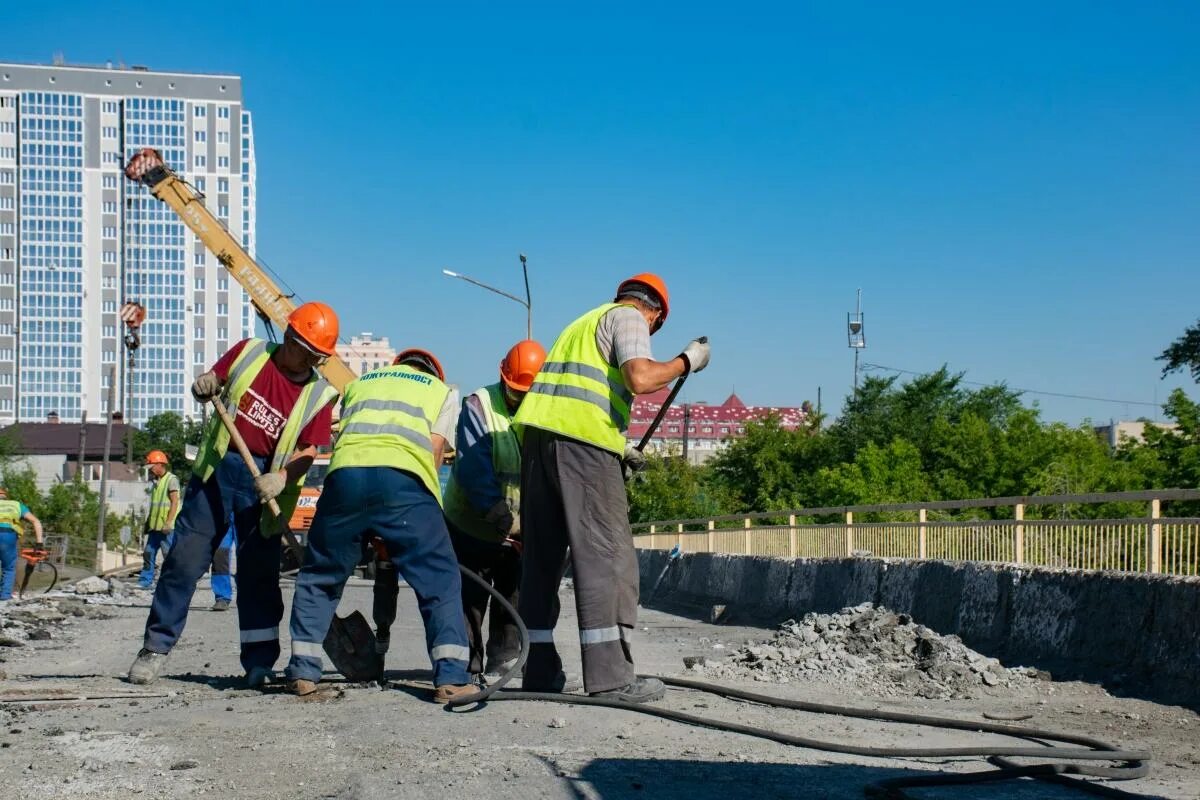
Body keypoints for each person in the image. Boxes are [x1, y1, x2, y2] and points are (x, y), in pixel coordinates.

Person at [513, 273, 710, 702]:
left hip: (539, 442)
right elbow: (640, 377)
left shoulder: (582, 323)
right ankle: (611, 679)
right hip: (583, 446)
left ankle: (539, 671)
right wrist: (686, 361)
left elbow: (578, 396)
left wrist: (618, 447)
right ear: (655, 315)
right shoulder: (630, 317)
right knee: (608, 559)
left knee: (542, 563)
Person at [128, 302, 340, 687]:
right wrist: (205, 383)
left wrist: (281, 478)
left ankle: (259, 663)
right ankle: (155, 648)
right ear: (288, 335)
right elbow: (213, 380)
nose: (299, 356)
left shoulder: (319, 395)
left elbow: (310, 450)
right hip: (217, 476)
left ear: (320, 358)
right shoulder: (250, 353)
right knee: (183, 563)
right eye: (295, 345)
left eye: (310, 354)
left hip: (264, 491)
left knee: (259, 577)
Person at [284, 348, 473, 702]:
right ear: (434, 372)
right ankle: (450, 676)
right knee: (439, 579)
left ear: (396, 367)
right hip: (404, 482)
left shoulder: (361, 384)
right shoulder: (441, 391)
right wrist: (407, 524)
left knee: (320, 576)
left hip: (345, 478)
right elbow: (432, 453)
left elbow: (349, 436)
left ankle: (303, 670)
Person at [443, 339, 546, 680]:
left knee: (511, 594)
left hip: (516, 528)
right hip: (472, 521)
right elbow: (476, 473)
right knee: (469, 598)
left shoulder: (545, 410)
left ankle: (504, 660)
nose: (520, 400)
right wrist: (505, 520)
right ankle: (466, 665)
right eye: (515, 392)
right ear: (503, 378)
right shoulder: (479, 406)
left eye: (527, 394)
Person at [138, 450, 180, 588]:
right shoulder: (156, 482)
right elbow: (155, 506)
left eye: (151, 467)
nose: (150, 471)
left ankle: (171, 581)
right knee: (148, 553)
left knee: (168, 555)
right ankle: (145, 580)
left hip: (166, 528)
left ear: (159, 464)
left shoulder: (171, 480)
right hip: (155, 527)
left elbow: (175, 502)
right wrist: (148, 523)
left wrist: (168, 522)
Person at [0, 487, 44, 602]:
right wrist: (39, 543)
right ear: (5, 496)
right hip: (7, 536)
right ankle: (4, 596)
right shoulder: (16, 505)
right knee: (8, 568)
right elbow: (36, 521)